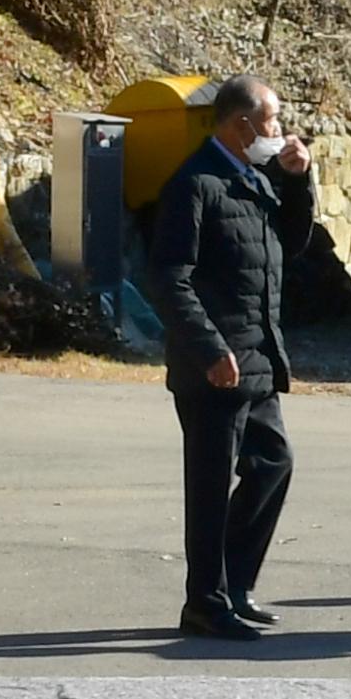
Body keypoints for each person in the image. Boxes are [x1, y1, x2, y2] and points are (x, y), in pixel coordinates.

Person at [144, 75, 300, 641]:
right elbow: (168, 278)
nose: (278, 131)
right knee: (209, 489)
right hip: (213, 368)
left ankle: (235, 585)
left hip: (257, 360)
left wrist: (298, 182)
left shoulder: (250, 178)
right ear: (241, 125)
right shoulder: (194, 184)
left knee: (273, 464)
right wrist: (209, 348)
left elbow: (293, 242)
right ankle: (205, 603)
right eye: (272, 121)